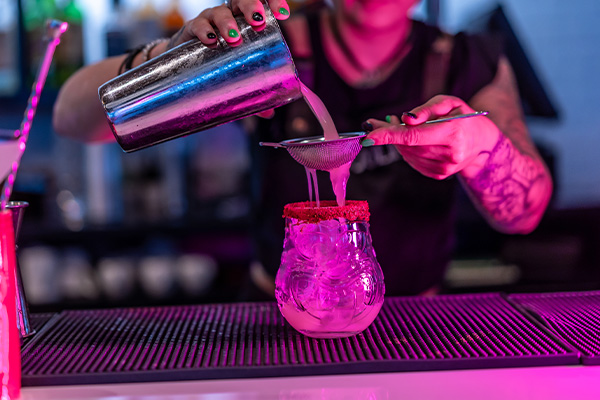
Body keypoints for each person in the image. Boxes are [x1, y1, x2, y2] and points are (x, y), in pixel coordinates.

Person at [53, 0, 553, 298]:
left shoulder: (467, 61)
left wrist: (483, 150)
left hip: (411, 324)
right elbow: (71, 117)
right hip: (274, 321)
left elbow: (525, 214)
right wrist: (179, 60)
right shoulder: (265, 48)